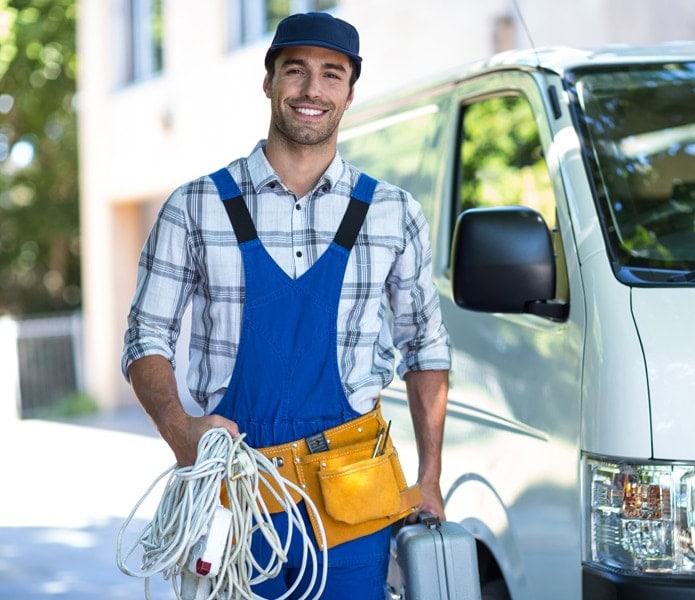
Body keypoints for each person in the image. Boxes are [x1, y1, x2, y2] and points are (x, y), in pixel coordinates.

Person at [121, 11, 451, 599]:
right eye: (294, 71)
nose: (311, 90)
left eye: (332, 74)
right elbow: (146, 337)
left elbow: (425, 345)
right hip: (236, 494)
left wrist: (429, 478)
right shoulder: (196, 207)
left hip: (355, 499)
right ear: (268, 80)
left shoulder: (392, 212)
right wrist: (179, 430)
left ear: (350, 92)